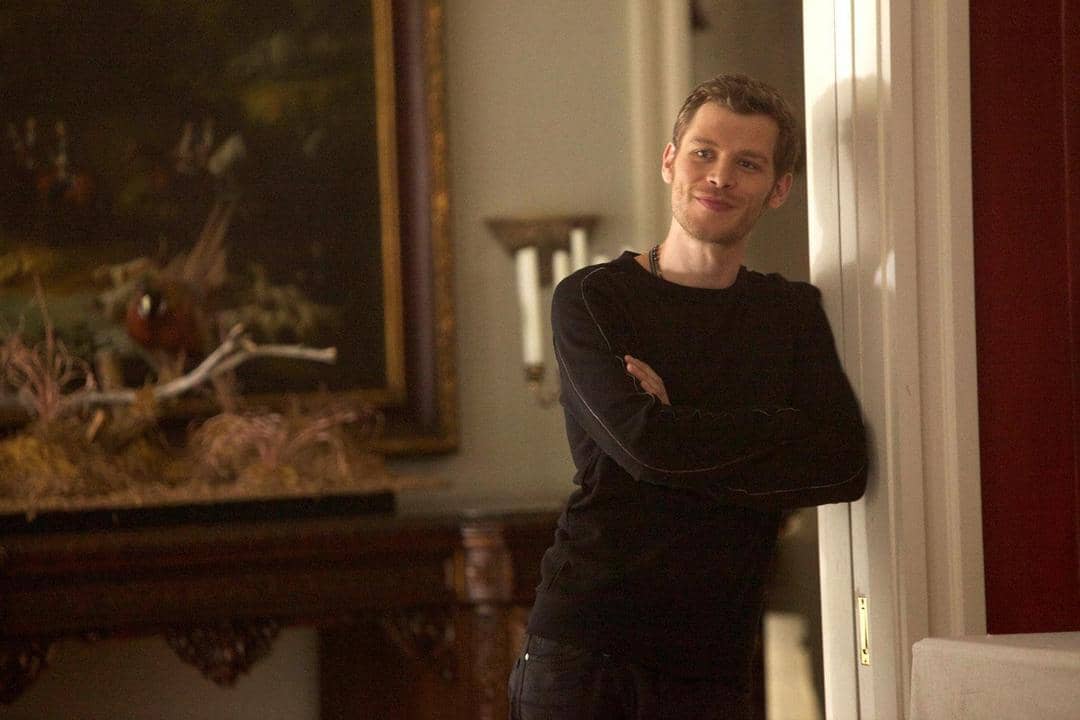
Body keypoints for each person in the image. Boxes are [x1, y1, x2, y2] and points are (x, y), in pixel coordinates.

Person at [507, 74, 868, 719]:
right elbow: (649, 447)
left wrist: (676, 426)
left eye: (748, 163)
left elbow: (842, 465)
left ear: (778, 189)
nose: (720, 176)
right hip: (588, 649)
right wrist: (779, 429)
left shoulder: (790, 313)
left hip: (715, 660)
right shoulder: (593, 299)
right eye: (704, 152)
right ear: (670, 160)